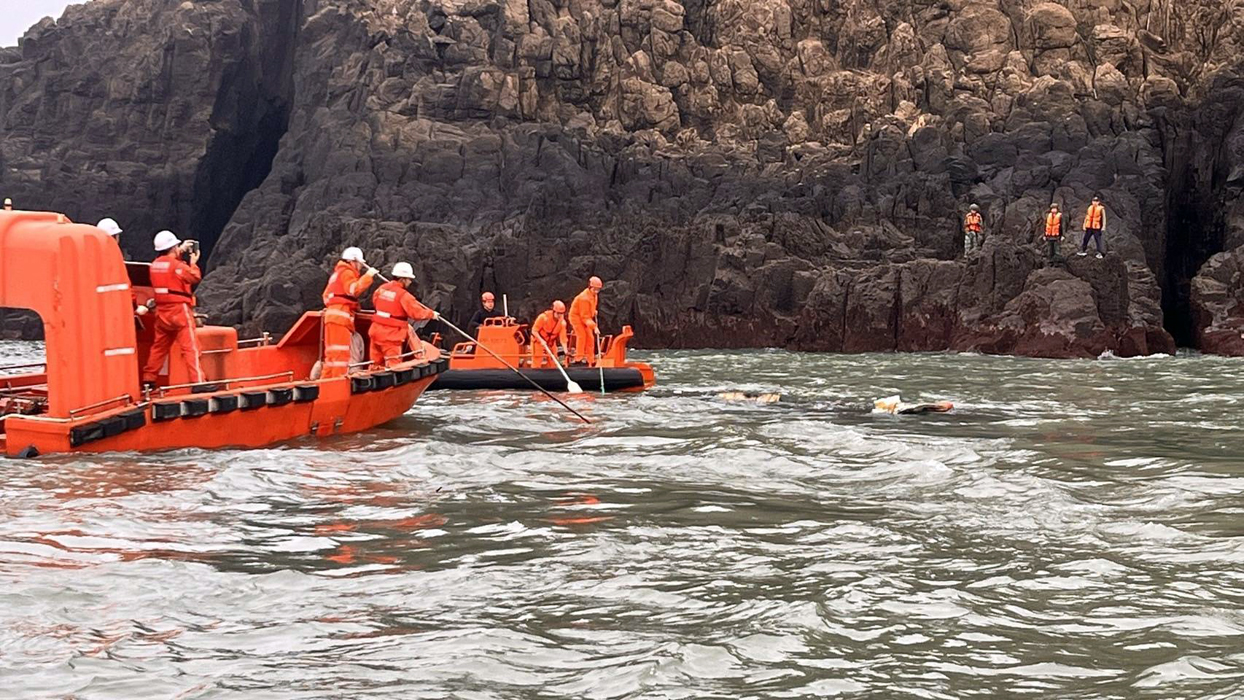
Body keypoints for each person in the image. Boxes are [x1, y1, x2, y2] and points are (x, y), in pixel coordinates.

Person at [140, 230, 203, 390]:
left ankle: (149, 379)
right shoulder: (177, 266)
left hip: (162, 313)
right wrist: (193, 262)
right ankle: (198, 381)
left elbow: (167, 268)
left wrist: (179, 251)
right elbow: (193, 277)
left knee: (159, 347)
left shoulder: (154, 266)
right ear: (173, 247)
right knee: (191, 347)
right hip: (179, 311)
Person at [320, 246, 378, 378]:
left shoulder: (336, 274)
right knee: (340, 355)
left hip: (331, 316)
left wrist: (352, 305)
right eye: (359, 264)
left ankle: (325, 382)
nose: (360, 268)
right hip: (340, 318)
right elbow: (354, 289)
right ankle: (338, 383)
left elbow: (326, 296)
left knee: (331, 355)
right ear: (354, 261)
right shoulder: (347, 273)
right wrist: (368, 276)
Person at [368, 262, 438, 368]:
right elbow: (416, 313)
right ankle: (392, 384)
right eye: (409, 279)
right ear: (403, 279)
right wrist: (432, 314)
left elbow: (375, 301)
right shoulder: (404, 295)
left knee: (375, 364)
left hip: (375, 332)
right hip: (391, 335)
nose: (410, 282)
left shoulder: (381, 289)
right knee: (393, 366)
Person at [569, 276, 603, 365]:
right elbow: (584, 317)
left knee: (590, 338)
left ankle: (590, 359)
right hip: (576, 317)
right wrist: (594, 327)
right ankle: (578, 359)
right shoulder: (584, 298)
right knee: (582, 335)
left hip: (586, 317)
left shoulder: (594, 296)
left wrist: (593, 311)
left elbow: (590, 308)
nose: (596, 292)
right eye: (595, 289)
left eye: (598, 290)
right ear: (590, 287)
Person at [530, 300, 569, 368]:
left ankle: (552, 376)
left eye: (561, 313)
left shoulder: (562, 323)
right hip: (538, 342)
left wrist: (566, 351)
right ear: (554, 311)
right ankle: (535, 375)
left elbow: (563, 339)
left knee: (553, 361)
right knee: (537, 360)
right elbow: (534, 331)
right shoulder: (543, 318)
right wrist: (541, 340)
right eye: (558, 313)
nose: (560, 315)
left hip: (550, 343)